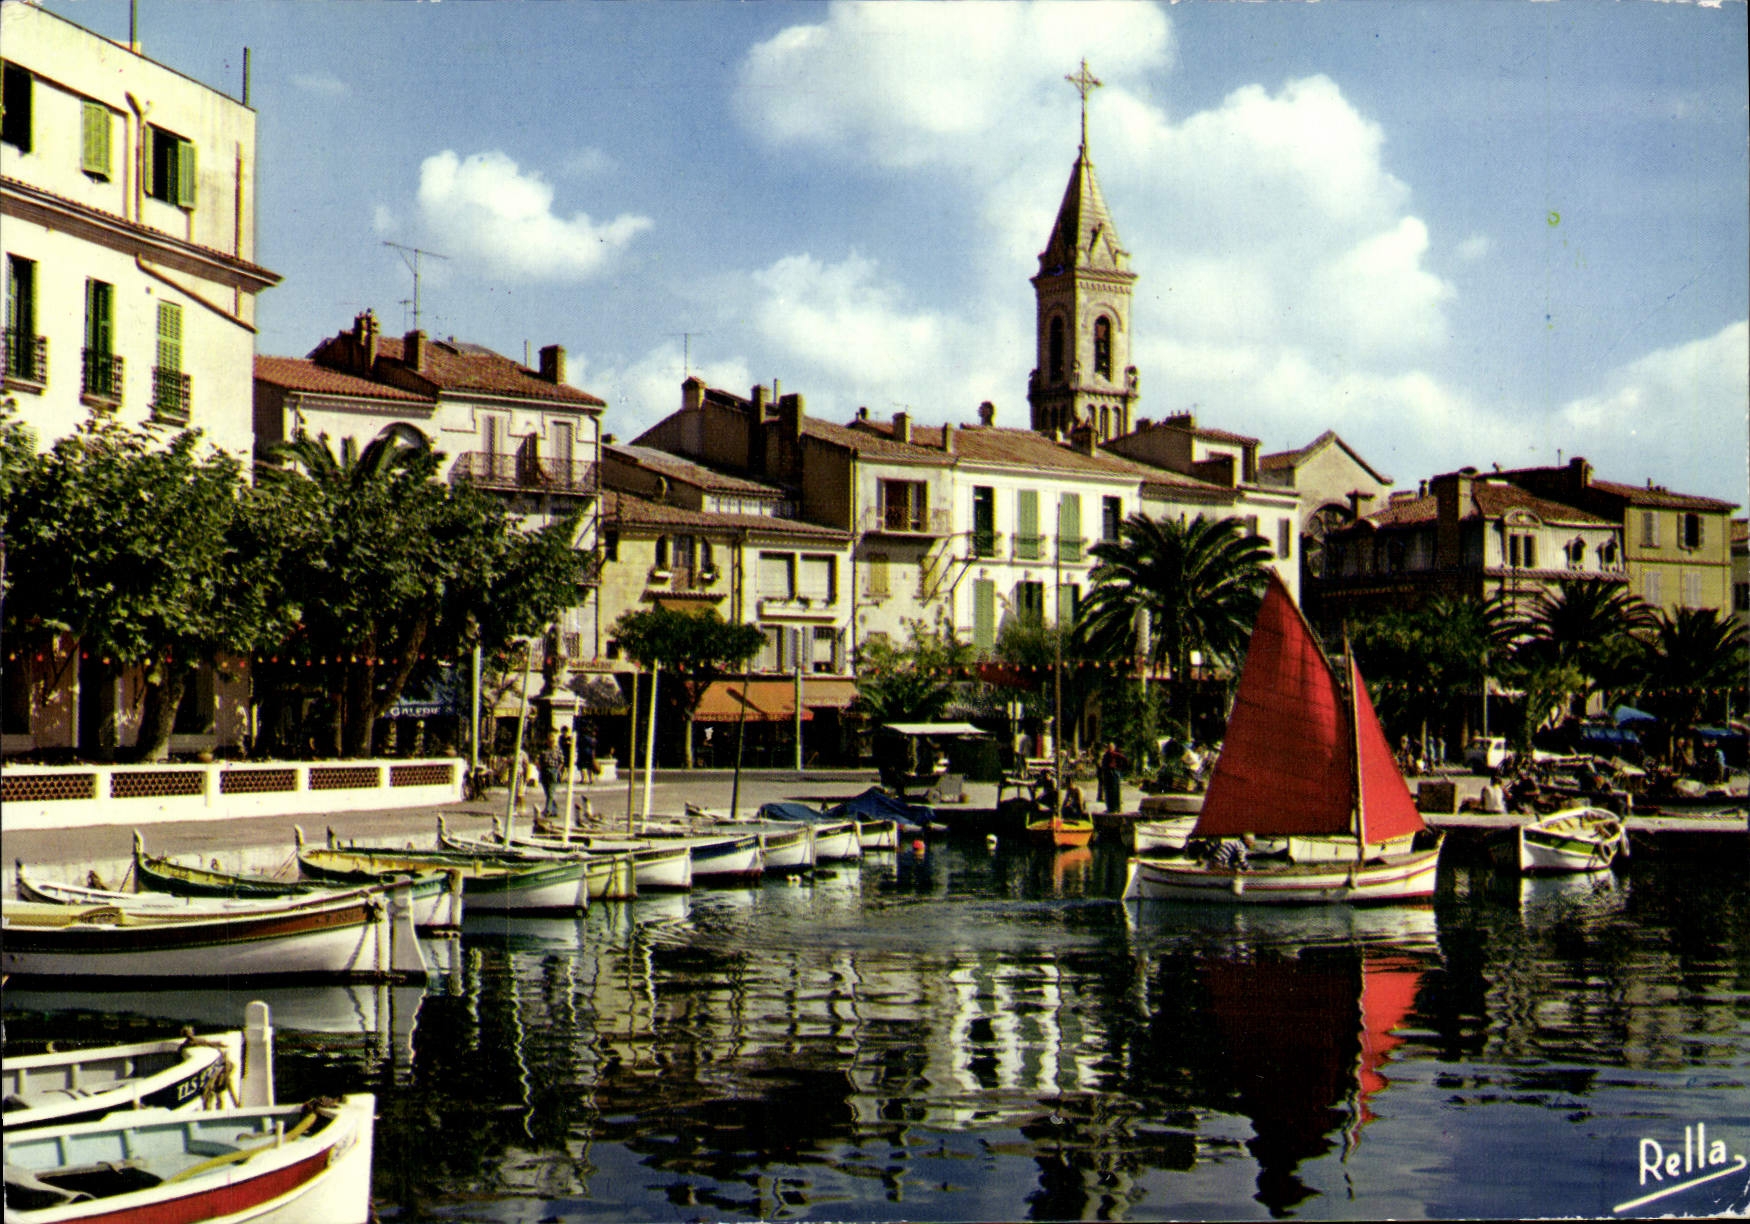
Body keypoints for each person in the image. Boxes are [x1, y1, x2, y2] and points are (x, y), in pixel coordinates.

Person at [1098, 741, 1128, 813]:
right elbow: (1103, 765)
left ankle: (1116, 808)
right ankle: (1110, 808)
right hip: (1108, 774)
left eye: (1110, 747)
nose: (1109, 749)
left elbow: (1125, 760)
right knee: (1108, 792)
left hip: (1114, 773)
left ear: (1113, 748)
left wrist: (1120, 767)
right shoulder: (1106, 755)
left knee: (1115, 792)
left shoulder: (1116, 755)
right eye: (1108, 747)